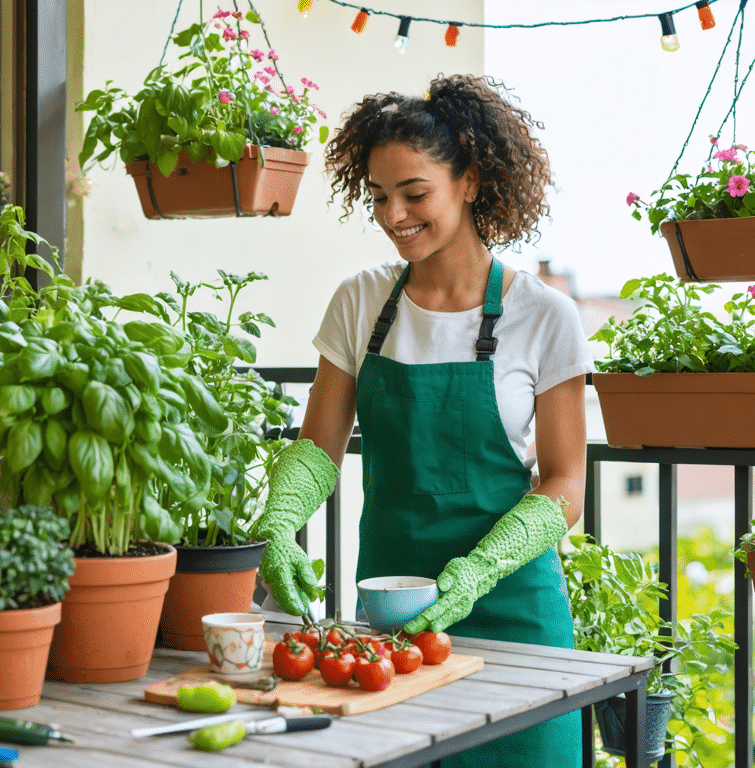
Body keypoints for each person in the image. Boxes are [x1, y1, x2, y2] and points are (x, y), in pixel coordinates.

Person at [252, 73, 593, 767]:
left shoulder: (542, 315)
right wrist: (280, 525)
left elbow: (564, 485)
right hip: (391, 626)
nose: (392, 215)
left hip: (514, 619)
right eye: (379, 196)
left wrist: (477, 570)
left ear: (470, 181)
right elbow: (317, 450)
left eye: (415, 194)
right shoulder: (361, 303)